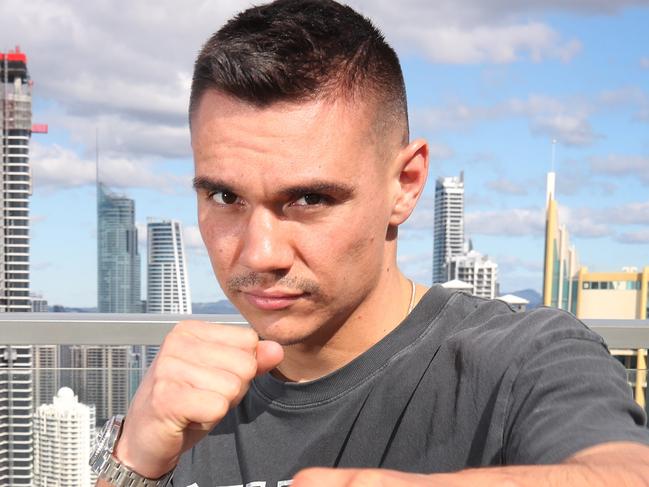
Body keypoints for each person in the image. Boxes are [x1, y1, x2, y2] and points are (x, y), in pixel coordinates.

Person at [93, 1, 649, 486]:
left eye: (309, 199)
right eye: (223, 196)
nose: (260, 254)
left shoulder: (522, 360)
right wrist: (133, 463)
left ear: (404, 185)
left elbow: (623, 470)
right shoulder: (188, 396)